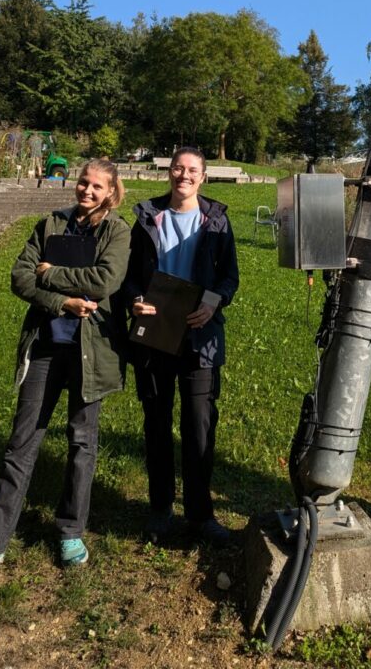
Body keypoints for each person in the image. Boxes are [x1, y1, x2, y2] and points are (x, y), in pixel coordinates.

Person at [0, 159, 130, 570]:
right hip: (45, 347)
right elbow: (20, 277)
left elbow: (105, 281)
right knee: (21, 443)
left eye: (97, 186)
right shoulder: (51, 224)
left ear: (111, 192)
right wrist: (62, 302)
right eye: (83, 182)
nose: (87, 190)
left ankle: (70, 532)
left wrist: (50, 271)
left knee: (82, 443)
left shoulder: (116, 231)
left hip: (91, 354)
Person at [125, 146, 239, 547]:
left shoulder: (217, 221)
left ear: (203, 177)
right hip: (155, 334)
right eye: (178, 168)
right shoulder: (147, 217)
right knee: (156, 425)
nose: (184, 175)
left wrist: (214, 301)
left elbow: (230, 277)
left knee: (199, 427)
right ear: (168, 172)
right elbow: (129, 275)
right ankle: (160, 509)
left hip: (199, 337)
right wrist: (135, 299)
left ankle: (200, 514)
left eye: (192, 170)